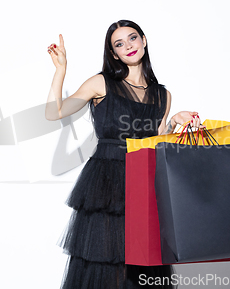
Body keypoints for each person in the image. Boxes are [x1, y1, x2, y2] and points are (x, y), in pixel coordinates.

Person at [45, 20, 202, 289]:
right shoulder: (101, 83)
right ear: (113, 53)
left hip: (145, 183)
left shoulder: (163, 95)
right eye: (119, 44)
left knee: (143, 263)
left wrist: (175, 122)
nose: (128, 46)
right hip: (106, 185)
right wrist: (61, 71)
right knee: (107, 265)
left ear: (143, 40)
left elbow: (158, 144)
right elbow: (53, 113)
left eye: (132, 38)